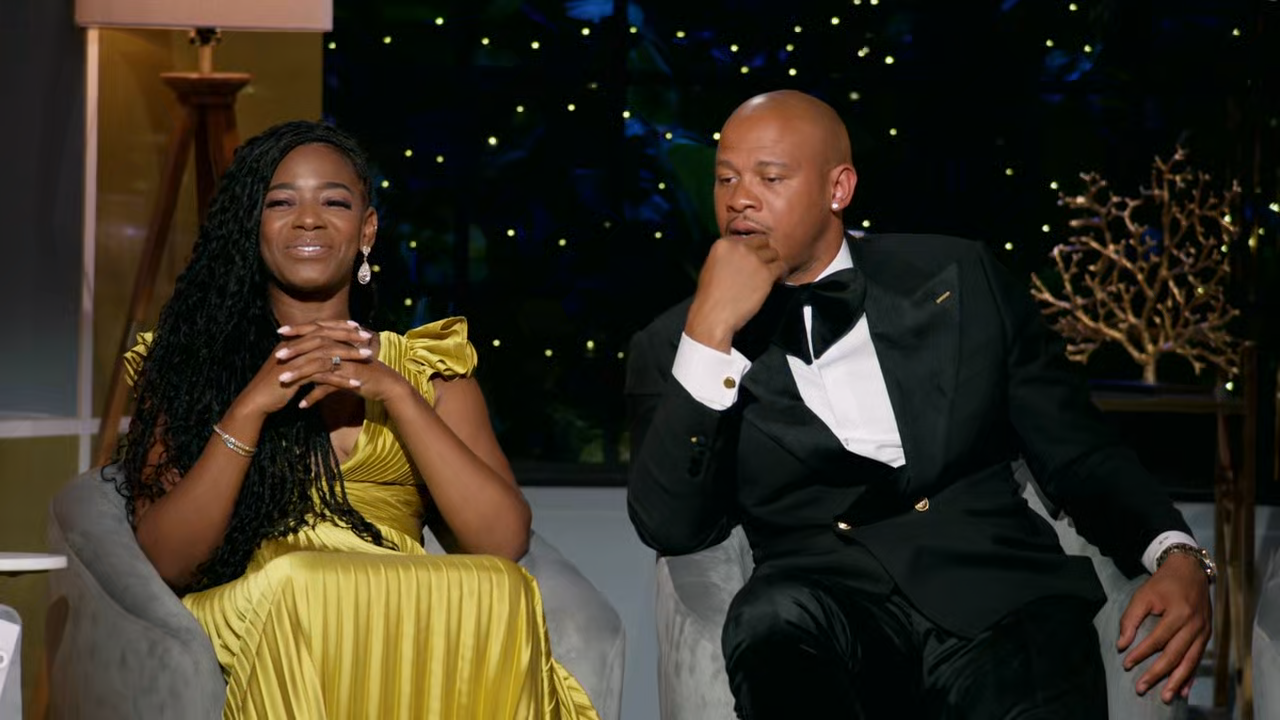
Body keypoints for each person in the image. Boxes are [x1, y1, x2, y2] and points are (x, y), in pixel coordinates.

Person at [625, 90, 1215, 719]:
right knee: (770, 621)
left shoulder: (960, 274)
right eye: (726, 178)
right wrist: (710, 336)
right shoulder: (675, 345)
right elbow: (670, 526)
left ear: (837, 189)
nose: (740, 197)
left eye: (769, 177)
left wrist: (1176, 552)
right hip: (820, 605)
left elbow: (1076, 448)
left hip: (999, 597)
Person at [112, 120, 598, 720]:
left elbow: (503, 542)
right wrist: (251, 406)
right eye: (281, 202)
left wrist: (394, 392)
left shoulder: (429, 368)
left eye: (334, 202)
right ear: (251, 225)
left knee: (504, 589)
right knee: (300, 581)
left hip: (401, 610)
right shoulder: (191, 369)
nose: (308, 220)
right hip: (267, 607)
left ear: (367, 229)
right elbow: (168, 559)